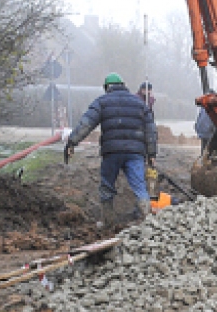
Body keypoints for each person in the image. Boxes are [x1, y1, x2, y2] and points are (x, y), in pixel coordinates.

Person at [64, 73, 157, 228]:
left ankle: (108, 222)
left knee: (107, 186)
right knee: (140, 186)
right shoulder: (140, 104)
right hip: (135, 153)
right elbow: (150, 130)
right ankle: (148, 221)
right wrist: (152, 153)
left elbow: (86, 124)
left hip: (112, 152)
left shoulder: (102, 102)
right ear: (123, 84)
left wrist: (72, 142)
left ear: (107, 87)